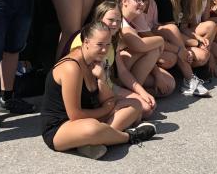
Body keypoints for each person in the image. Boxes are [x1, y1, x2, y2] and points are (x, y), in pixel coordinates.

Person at [40, 22, 156, 159]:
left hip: (89, 116)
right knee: (92, 128)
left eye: (108, 44)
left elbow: (108, 100)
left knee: (135, 104)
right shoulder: (71, 67)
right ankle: (129, 136)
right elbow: (75, 115)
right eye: (99, 44)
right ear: (86, 42)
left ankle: (93, 141)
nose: (104, 50)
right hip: (61, 127)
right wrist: (107, 109)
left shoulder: (96, 60)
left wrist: (101, 78)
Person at [156, 0, 212, 96]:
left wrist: (198, 38)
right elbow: (172, 33)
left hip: (177, 39)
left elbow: (183, 28)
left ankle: (189, 74)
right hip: (165, 42)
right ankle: (189, 79)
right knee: (176, 34)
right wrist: (194, 43)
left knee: (203, 55)